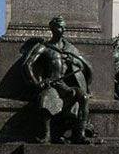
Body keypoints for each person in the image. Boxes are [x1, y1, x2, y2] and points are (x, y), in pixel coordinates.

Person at [23, 16, 94, 144]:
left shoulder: (70, 48)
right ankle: (47, 135)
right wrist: (36, 82)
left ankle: (79, 134)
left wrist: (74, 61)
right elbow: (28, 64)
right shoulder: (44, 47)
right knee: (46, 98)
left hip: (65, 86)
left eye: (64, 27)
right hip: (52, 84)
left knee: (83, 97)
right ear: (52, 28)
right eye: (60, 27)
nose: (63, 29)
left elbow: (85, 66)